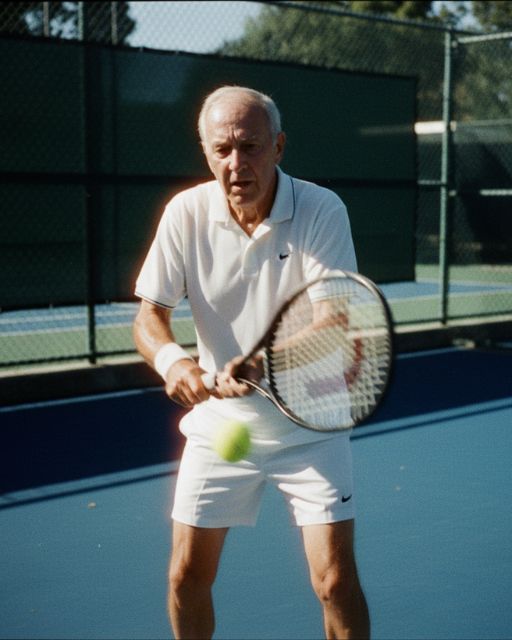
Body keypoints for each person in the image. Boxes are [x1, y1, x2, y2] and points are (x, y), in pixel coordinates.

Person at [133, 85, 370, 640]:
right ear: (206, 153)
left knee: (335, 582)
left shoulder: (321, 209)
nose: (236, 163)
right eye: (222, 149)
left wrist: (265, 362)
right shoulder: (185, 213)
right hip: (221, 428)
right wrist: (175, 364)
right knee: (186, 576)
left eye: (251, 147)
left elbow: (335, 322)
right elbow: (149, 318)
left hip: (312, 425)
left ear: (278, 146)